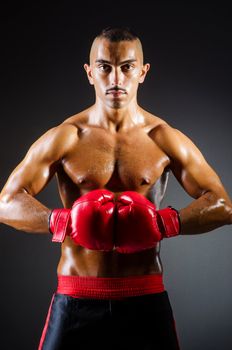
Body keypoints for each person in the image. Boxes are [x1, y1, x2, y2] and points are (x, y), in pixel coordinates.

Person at [0, 27, 231, 350]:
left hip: (145, 297)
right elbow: (6, 203)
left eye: (127, 67)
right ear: (90, 72)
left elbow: (222, 204)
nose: (116, 78)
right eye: (105, 66)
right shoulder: (66, 136)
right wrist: (62, 222)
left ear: (142, 72)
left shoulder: (163, 137)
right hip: (76, 298)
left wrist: (164, 223)